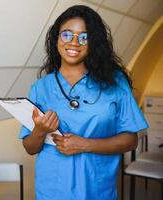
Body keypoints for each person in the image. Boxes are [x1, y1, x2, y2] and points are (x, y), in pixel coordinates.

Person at [19, 5, 148, 200]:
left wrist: (85, 144)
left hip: (96, 188)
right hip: (52, 189)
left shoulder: (115, 83)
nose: (74, 42)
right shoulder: (41, 87)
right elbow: (30, 148)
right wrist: (39, 131)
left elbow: (131, 140)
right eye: (66, 34)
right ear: (56, 38)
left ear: (93, 43)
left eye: (84, 37)